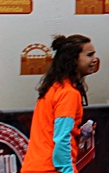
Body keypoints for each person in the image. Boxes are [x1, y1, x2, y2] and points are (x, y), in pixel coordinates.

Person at [22, 34, 98, 173]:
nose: (94, 60)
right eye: (89, 55)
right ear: (73, 60)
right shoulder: (69, 93)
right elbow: (62, 137)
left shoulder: (54, 88)